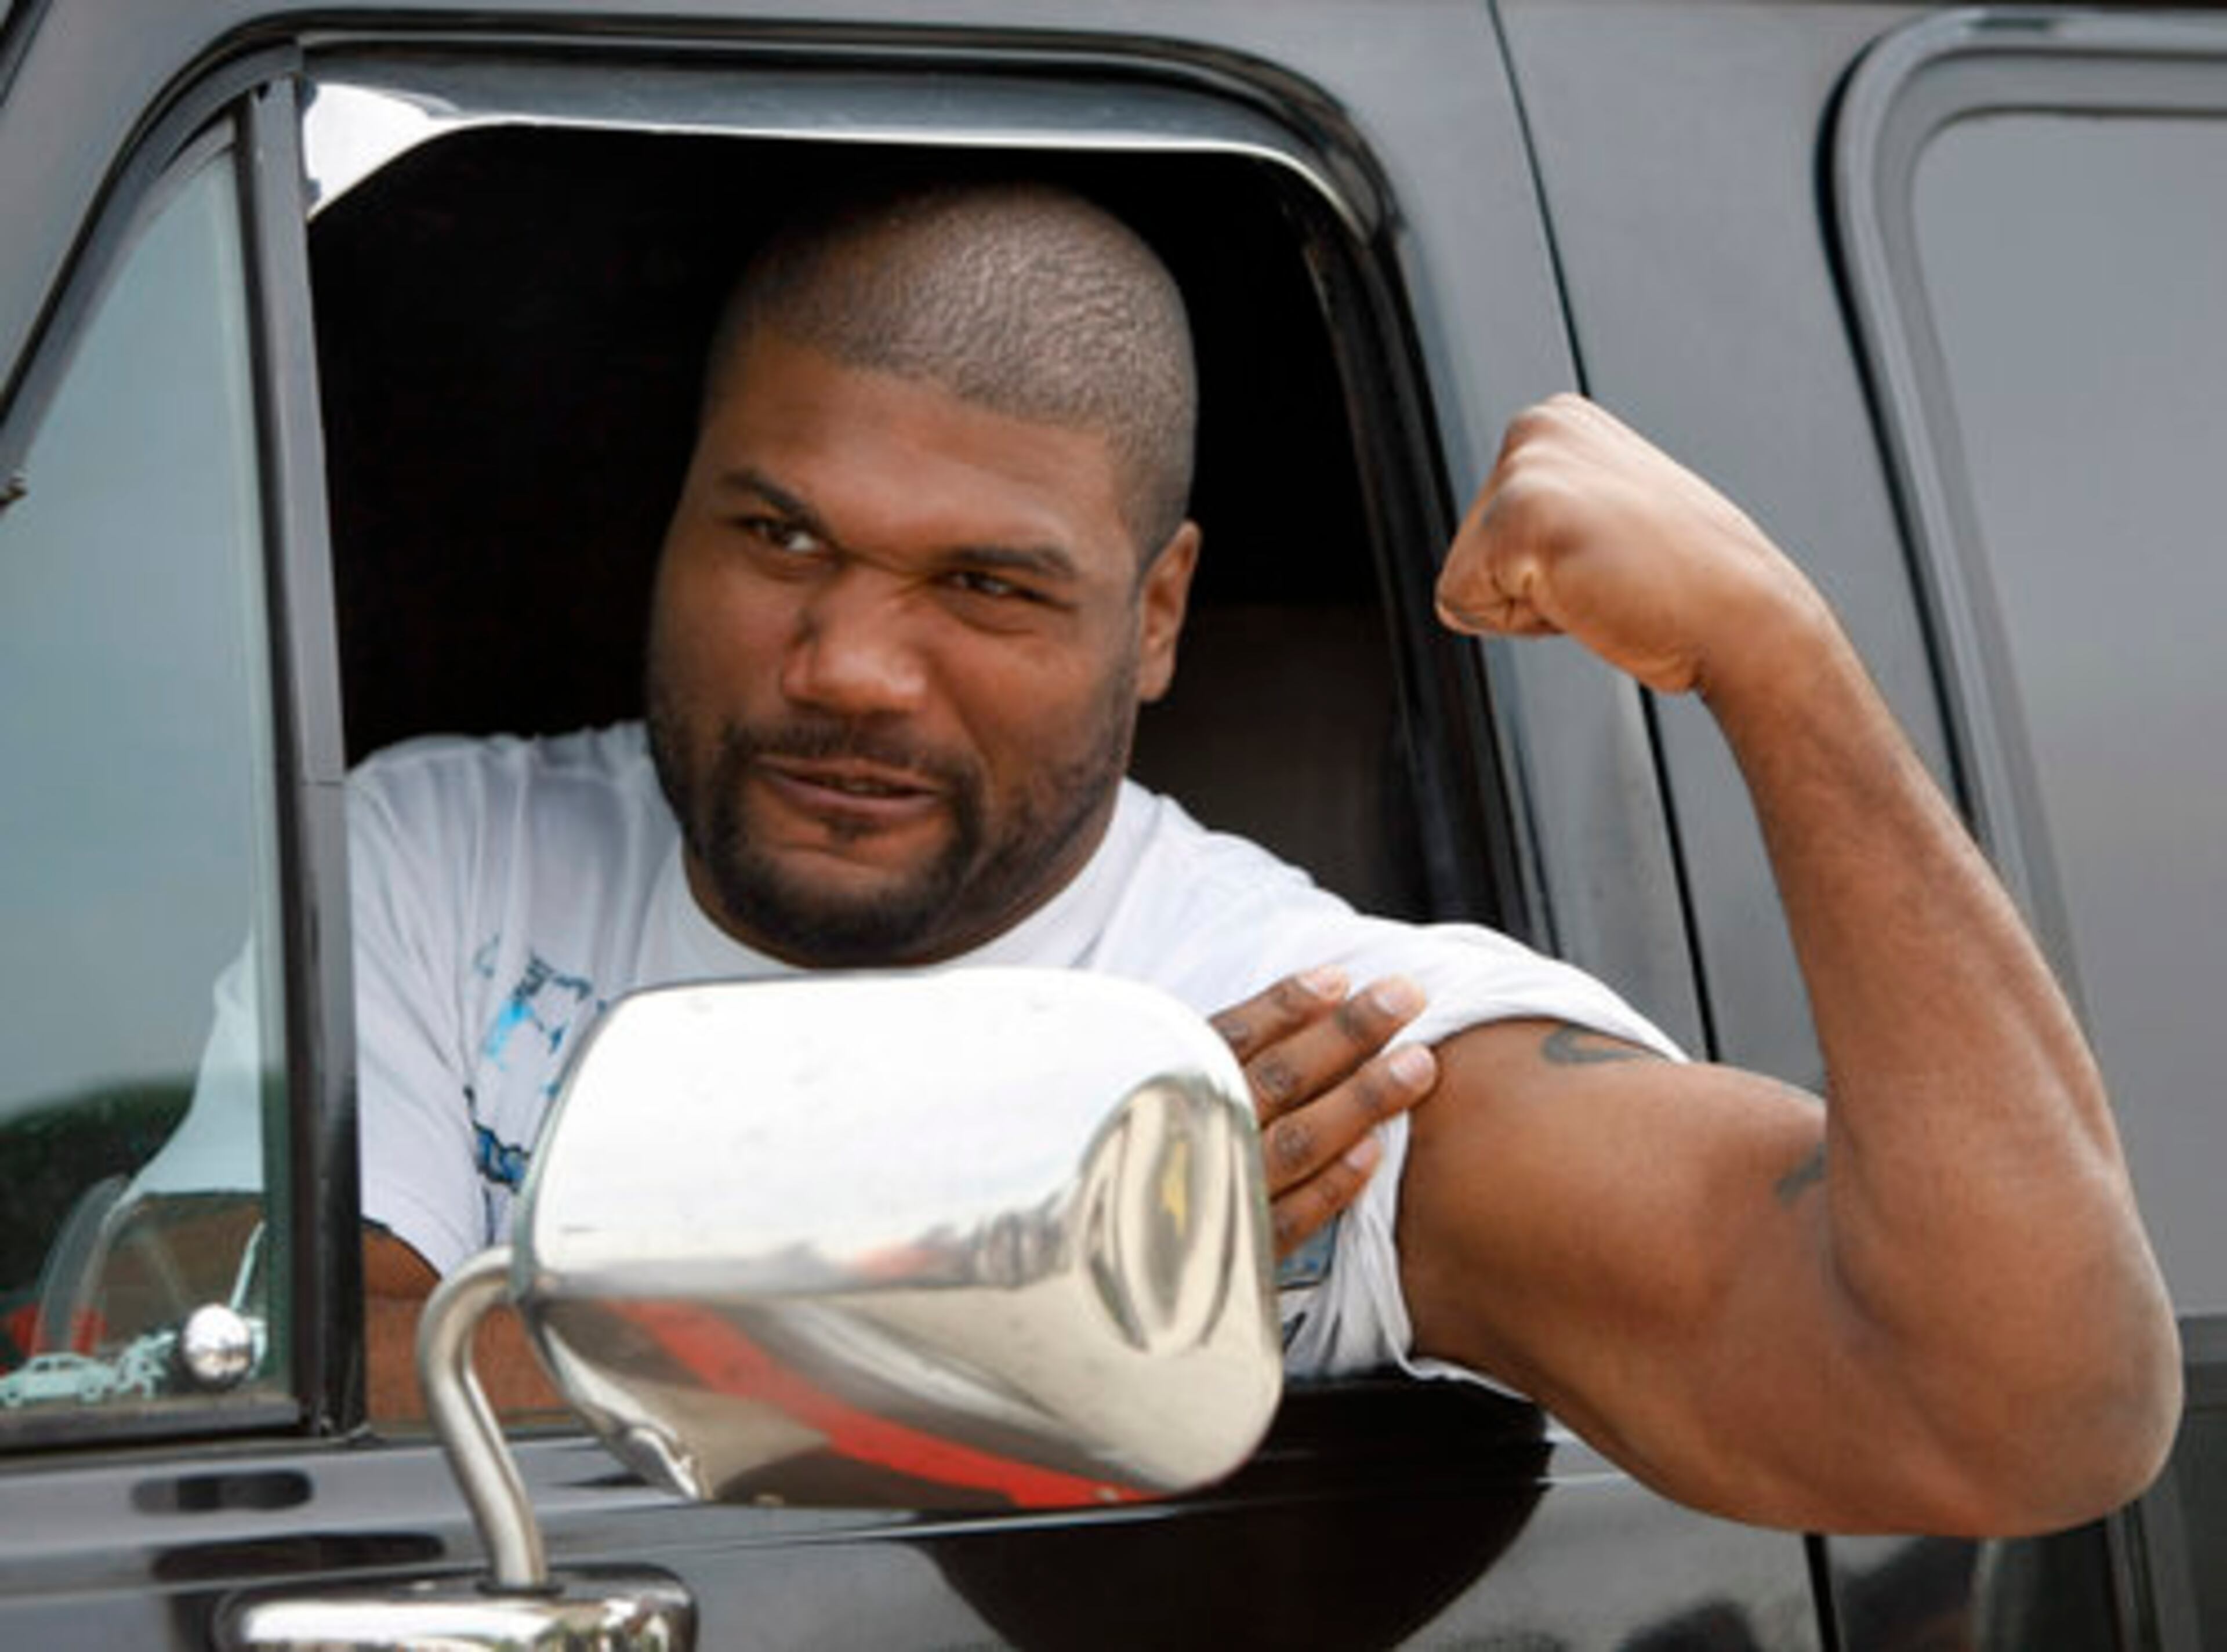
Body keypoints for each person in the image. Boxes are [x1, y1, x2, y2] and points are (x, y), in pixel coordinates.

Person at [161, 176, 2178, 1535]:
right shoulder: (436, 853)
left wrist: (1783, 661)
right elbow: (233, 1380)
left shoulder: (1308, 1047)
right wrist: (964, 1272)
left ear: (1155, 615)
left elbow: (2016, 1413)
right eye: (777, 537)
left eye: (989, 585)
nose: (852, 664)